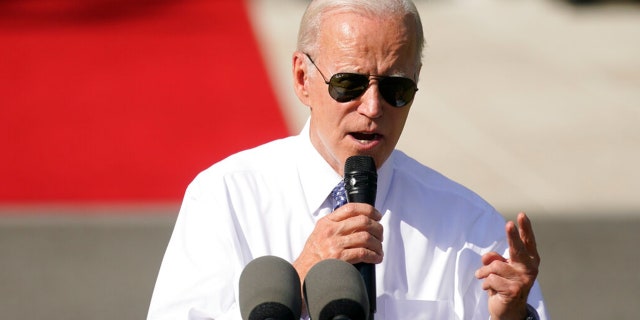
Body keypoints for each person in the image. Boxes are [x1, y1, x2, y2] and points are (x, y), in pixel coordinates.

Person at [147, 0, 548, 319]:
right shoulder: (225, 199)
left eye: (396, 88)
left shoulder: (470, 227)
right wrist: (296, 280)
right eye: (349, 84)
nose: (373, 107)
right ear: (303, 79)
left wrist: (512, 319)